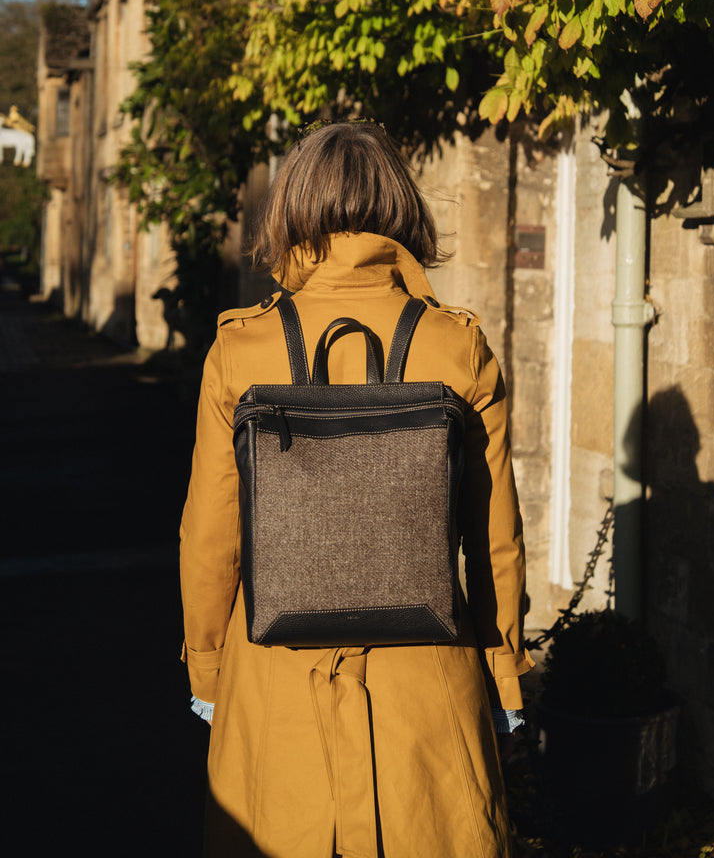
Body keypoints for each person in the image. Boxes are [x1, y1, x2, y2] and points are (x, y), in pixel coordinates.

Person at [179, 121, 533, 858]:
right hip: (427, 689)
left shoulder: (241, 347)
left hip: (272, 684)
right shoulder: (455, 344)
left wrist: (209, 670)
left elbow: (210, 539)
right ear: (402, 212)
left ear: (291, 214)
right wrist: (503, 675)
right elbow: (494, 539)